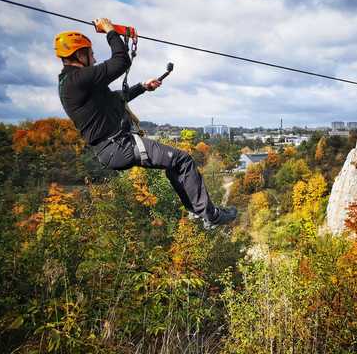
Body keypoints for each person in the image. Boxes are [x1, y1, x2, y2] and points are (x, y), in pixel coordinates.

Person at [55, 18, 237, 229]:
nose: (94, 58)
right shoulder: (77, 80)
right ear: (79, 55)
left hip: (114, 147)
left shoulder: (74, 84)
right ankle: (210, 214)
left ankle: (199, 212)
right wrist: (110, 31)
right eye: (91, 53)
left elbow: (115, 101)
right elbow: (121, 61)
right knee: (183, 160)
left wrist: (143, 87)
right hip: (118, 146)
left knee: (176, 164)